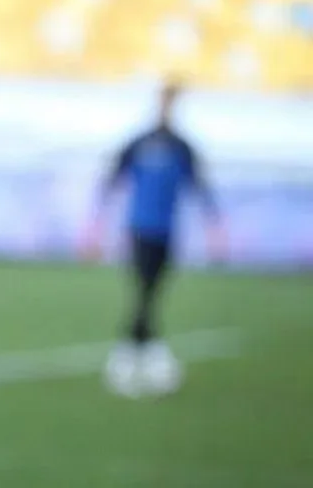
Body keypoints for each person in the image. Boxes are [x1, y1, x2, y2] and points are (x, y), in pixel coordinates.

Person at [82, 82, 227, 398]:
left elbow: (201, 188)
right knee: (145, 292)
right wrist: (95, 226)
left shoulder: (181, 147)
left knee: (152, 292)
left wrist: (215, 229)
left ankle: (139, 356)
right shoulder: (139, 143)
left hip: (167, 231)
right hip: (139, 229)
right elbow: (111, 180)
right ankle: (131, 359)